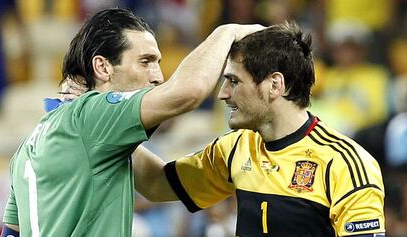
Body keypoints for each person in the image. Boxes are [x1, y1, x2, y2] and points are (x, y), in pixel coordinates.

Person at [0, 8, 264, 237]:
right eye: (146, 62)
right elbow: (188, 93)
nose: (158, 77)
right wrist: (227, 32)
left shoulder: (34, 144)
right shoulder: (91, 116)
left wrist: (236, 162)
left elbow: (158, 184)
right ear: (103, 68)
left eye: (158, 63)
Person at [132, 21, 386, 236]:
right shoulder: (236, 147)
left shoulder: (346, 165)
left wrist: (226, 31)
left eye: (234, 81)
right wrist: (111, 130)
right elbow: (157, 185)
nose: (223, 94)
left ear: (275, 84)